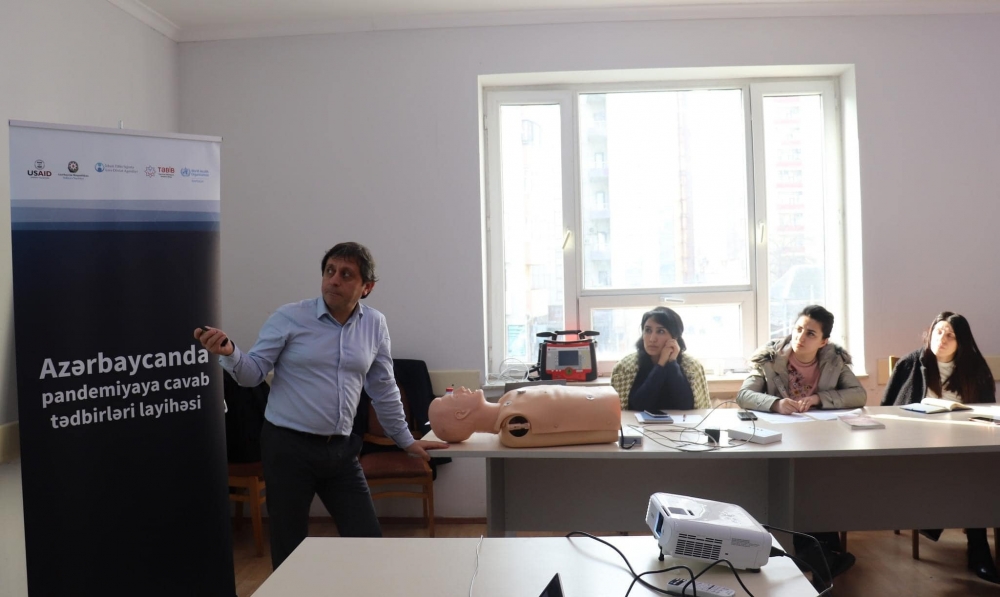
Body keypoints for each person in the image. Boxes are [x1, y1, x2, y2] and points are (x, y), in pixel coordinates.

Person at [194, 242, 448, 570]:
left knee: (368, 542)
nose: (334, 280)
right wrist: (230, 353)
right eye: (330, 271)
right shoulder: (289, 317)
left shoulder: (374, 324)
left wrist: (406, 441)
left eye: (346, 274)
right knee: (290, 550)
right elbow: (252, 374)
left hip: (341, 451)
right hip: (288, 449)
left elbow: (383, 388)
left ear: (367, 287)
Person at [736, 304, 865, 583]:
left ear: (824, 341)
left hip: (820, 442)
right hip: (778, 442)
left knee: (819, 485)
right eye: (798, 329)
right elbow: (744, 395)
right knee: (800, 487)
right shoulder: (771, 358)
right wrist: (776, 403)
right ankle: (823, 558)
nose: (800, 337)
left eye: (810, 333)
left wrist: (819, 398)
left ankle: (818, 558)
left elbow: (858, 395)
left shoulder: (833, 361)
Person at [881, 311, 999, 584]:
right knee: (965, 475)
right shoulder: (911, 363)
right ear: (930, 332)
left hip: (964, 442)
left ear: (962, 342)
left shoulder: (975, 368)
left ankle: (965, 539)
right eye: (939, 331)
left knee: (979, 472)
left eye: (950, 335)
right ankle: (978, 549)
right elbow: (886, 407)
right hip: (916, 445)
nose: (942, 339)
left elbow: (987, 410)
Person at [429, 385, 621, 447]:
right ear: (461, 414)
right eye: (454, 396)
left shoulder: (506, 401)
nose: (460, 389)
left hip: (606, 400)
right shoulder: (514, 427)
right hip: (606, 408)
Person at [610, 307, 711, 412]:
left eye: (661, 331)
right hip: (635, 422)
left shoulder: (692, 366)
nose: (652, 339)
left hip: (681, 423)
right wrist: (661, 364)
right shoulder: (626, 367)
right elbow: (639, 405)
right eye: (648, 330)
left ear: (675, 337)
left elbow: (686, 405)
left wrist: (672, 363)